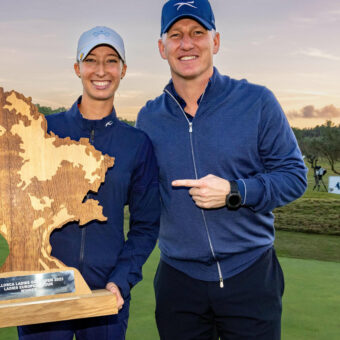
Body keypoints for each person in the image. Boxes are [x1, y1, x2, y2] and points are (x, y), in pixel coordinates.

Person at [136, 1, 308, 339]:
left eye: (198, 33)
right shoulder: (148, 118)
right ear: (162, 47)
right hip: (178, 281)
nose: (187, 43)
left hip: (250, 275)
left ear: (215, 41)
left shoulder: (257, 101)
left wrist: (235, 191)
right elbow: (141, 193)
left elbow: (293, 176)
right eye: (176, 35)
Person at [18, 26, 160, 340]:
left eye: (111, 61)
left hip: (105, 294)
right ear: (77, 67)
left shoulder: (137, 144)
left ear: (123, 70)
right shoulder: (43, 130)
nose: (100, 70)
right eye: (91, 60)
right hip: (45, 289)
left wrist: (120, 280)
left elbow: (146, 225)